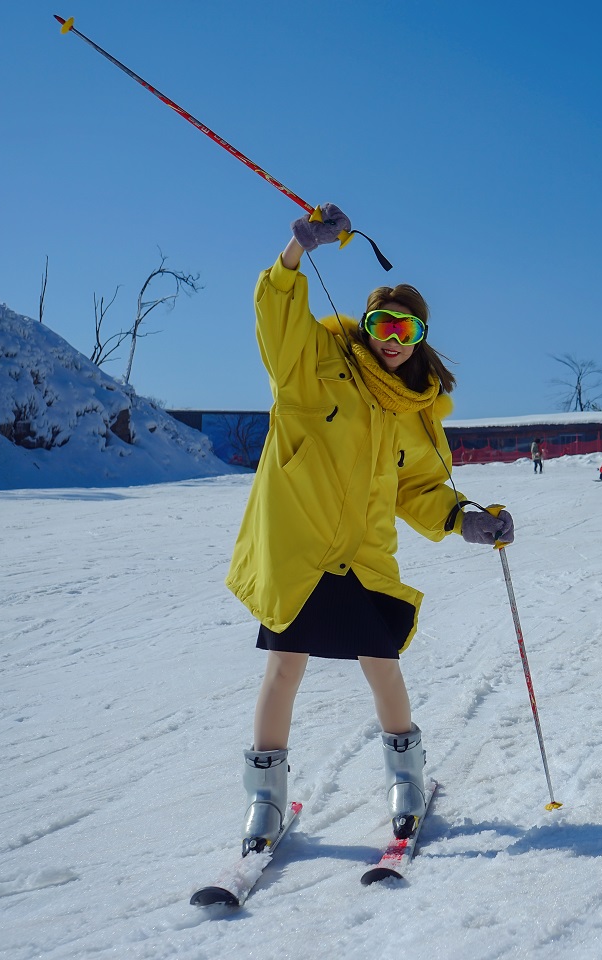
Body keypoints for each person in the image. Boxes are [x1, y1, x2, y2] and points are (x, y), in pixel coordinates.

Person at [225, 205, 516, 854]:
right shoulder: (318, 358)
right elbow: (276, 321)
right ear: (367, 324)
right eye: (382, 322)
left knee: (381, 663)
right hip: (299, 543)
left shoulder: (413, 408)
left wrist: (463, 518)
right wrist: (295, 252)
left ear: (420, 334)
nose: (392, 336)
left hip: (363, 553)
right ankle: (264, 801)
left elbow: (417, 487)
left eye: (405, 327)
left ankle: (406, 782)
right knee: (283, 666)